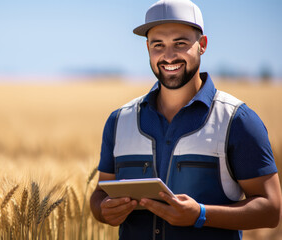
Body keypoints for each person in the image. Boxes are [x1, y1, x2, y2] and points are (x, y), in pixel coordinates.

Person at [89, 0, 282, 239]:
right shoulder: (120, 121)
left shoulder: (237, 120)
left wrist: (200, 214)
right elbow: (99, 195)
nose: (168, 56)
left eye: (180, 43)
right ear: (147, 48)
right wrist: (104, 209)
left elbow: (271, 210)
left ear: (202, 45)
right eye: (158, 45)